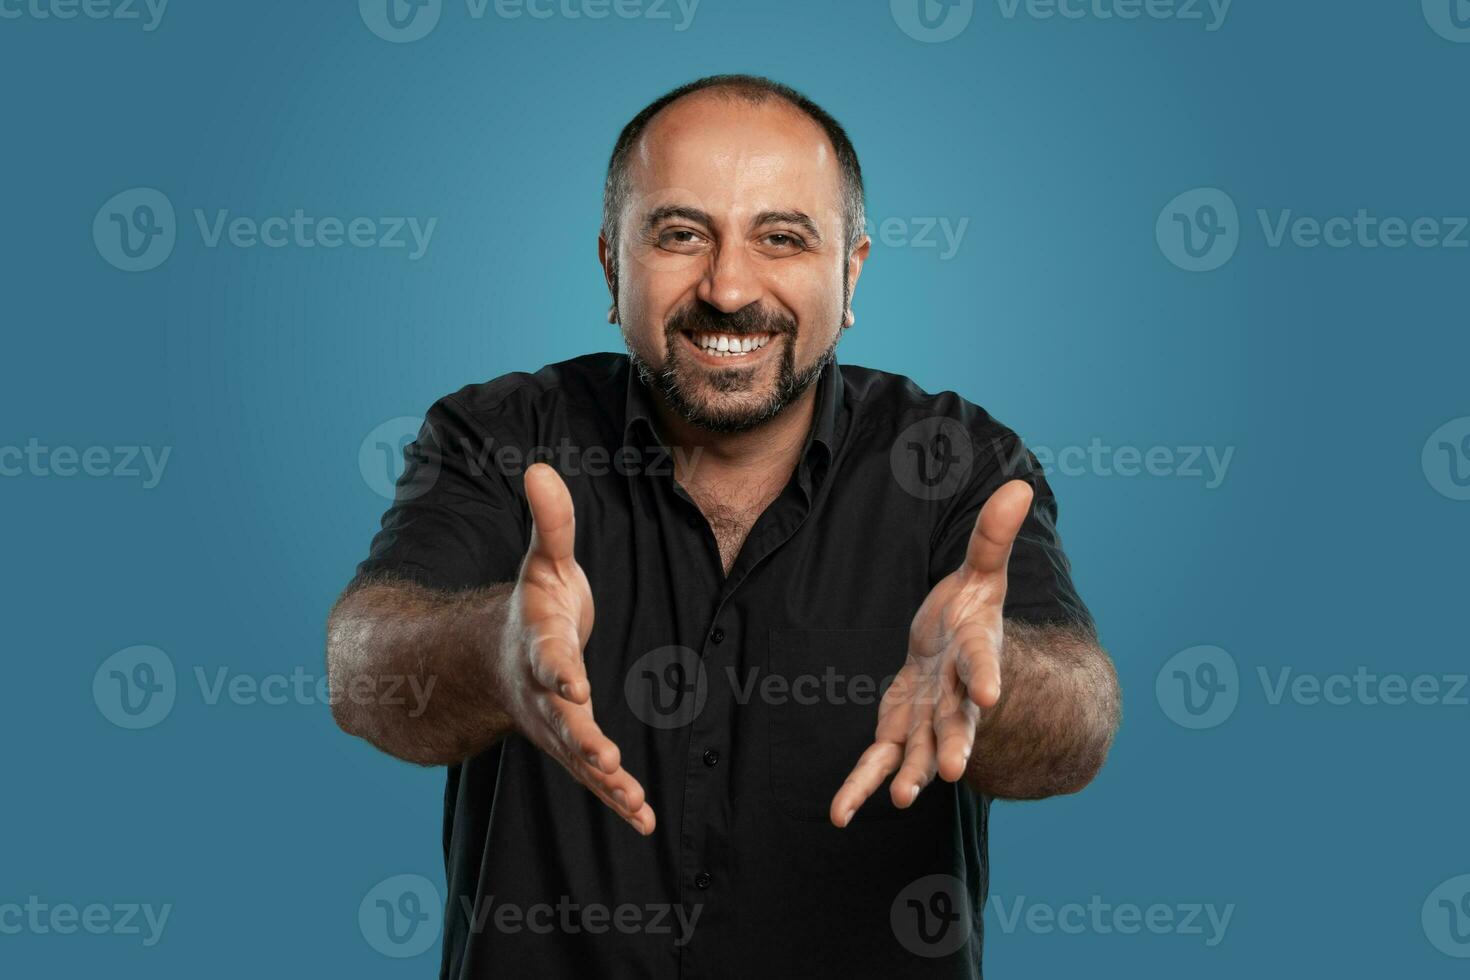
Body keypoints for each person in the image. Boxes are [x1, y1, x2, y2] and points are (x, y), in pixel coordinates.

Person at [327, 73, 1121, 979]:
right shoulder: (500, 437)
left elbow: (1081, 722)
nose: (730, 287)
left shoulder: (956, 462)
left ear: (851, 273)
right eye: (679, 235)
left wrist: (993, 682)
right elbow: (363, 669)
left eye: (781, 238)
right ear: (609, 265)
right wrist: (494, 653)